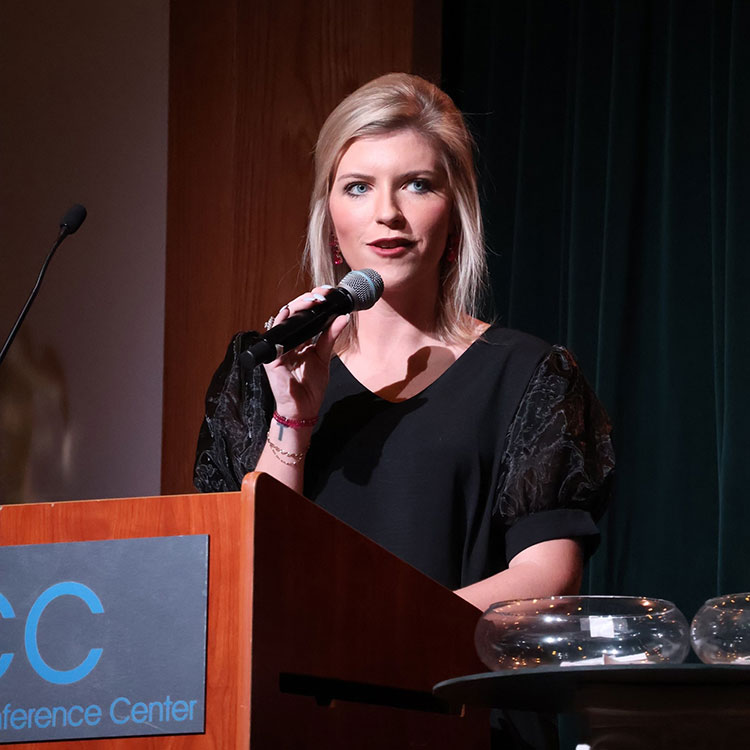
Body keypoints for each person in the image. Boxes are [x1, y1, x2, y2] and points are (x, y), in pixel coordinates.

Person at [194, 73, 614, 748]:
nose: (386, 212)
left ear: (454, 214)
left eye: (416, 183)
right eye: (357, 186)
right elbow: (243, 566)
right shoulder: (262, 369)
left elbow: (547, 574)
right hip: (293, 718)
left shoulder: (528, 373)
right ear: (330, 215)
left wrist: (386, 643)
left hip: (460, 717)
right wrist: (293, 422)